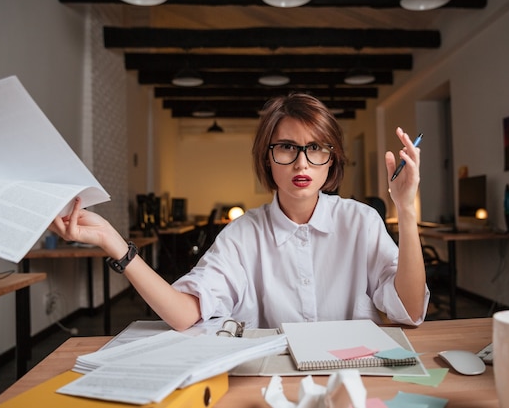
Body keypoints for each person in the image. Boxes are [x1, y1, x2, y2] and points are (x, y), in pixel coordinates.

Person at [50, 93, 428, 330]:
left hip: (355, 378)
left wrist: (405, 210)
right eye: (286, 148)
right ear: (268, 158)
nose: (301, 164)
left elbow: (410, 311)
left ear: (332, 161)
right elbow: (185, 314)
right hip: (272, 386)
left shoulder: (360, 222)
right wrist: (111, 240)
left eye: (316, 149)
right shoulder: (243, 233)